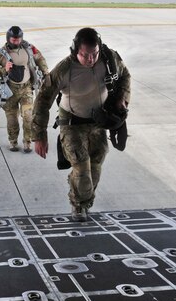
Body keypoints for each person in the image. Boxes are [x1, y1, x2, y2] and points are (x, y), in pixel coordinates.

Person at [31, 27, 130, 221]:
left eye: (94, 54)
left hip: (98, 123)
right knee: (83, 172)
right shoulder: (65, 69)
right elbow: (43, 99)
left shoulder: (109, 60)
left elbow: (125, 75)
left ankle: (84, 200)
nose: (90, 59)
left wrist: (122, 99)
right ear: (75, 50)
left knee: (95, 170)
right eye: (85, 55)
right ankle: (77, 205)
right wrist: (39, 135)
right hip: (72, 124)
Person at [0, 25, 49, 153]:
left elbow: (40, 58)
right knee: (12, 119)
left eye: (18, 39)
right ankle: (13, 141)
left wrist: (45, 72)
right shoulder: (0, 54)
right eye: (14, 40)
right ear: (8, 38)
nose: (16, 42)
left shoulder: (29, 49)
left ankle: (27, 142)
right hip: (9, 90)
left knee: (28, 116)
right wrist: (4, 69)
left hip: (26, 88)